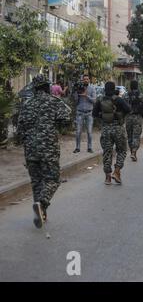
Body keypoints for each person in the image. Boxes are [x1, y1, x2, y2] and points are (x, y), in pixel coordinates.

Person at [17, 74, 71, 228]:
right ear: (47, 87)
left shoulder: (26, 104)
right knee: (53, 179)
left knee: (37, 181)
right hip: (48, 148)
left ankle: (42, 212)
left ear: (34, 88)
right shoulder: (54, 101)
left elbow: (19, 129)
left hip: (30, 149)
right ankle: (41, 203)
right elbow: (66, 119)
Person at [93, 81, 131, 185]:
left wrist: (103, 116)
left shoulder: (100, 100)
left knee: (107, 152)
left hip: (105, 129)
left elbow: (94, 113)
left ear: (105, 89)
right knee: (122, 150)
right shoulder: (118, 99)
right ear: (114, 89)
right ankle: (117, 171)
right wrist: (120, 115)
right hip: (118, 128)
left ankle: (107, 178)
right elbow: (128, 109)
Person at [73, 74, 96, 153]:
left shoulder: (92, 88)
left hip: (89, 113)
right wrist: (76, 94)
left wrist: (87, 96)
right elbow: (75, 102)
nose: (85, 80)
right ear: (82, 80)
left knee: (89, 132)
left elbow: (94, 101)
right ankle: (77, 147)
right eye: (84, 79)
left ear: (89, 80)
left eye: (87, 79)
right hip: (80, 112)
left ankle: (89, 147)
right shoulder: (79, 88)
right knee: (78, 131)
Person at [125, 80, 143, 162]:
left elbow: (122, 105)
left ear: (130, 86)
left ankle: (132, 152)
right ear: (137, 86)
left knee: (130, 136)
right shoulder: (141, 95)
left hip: (128, 118)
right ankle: (134, 152)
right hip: (137, 117)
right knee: (136, 136)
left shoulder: (126, 95)